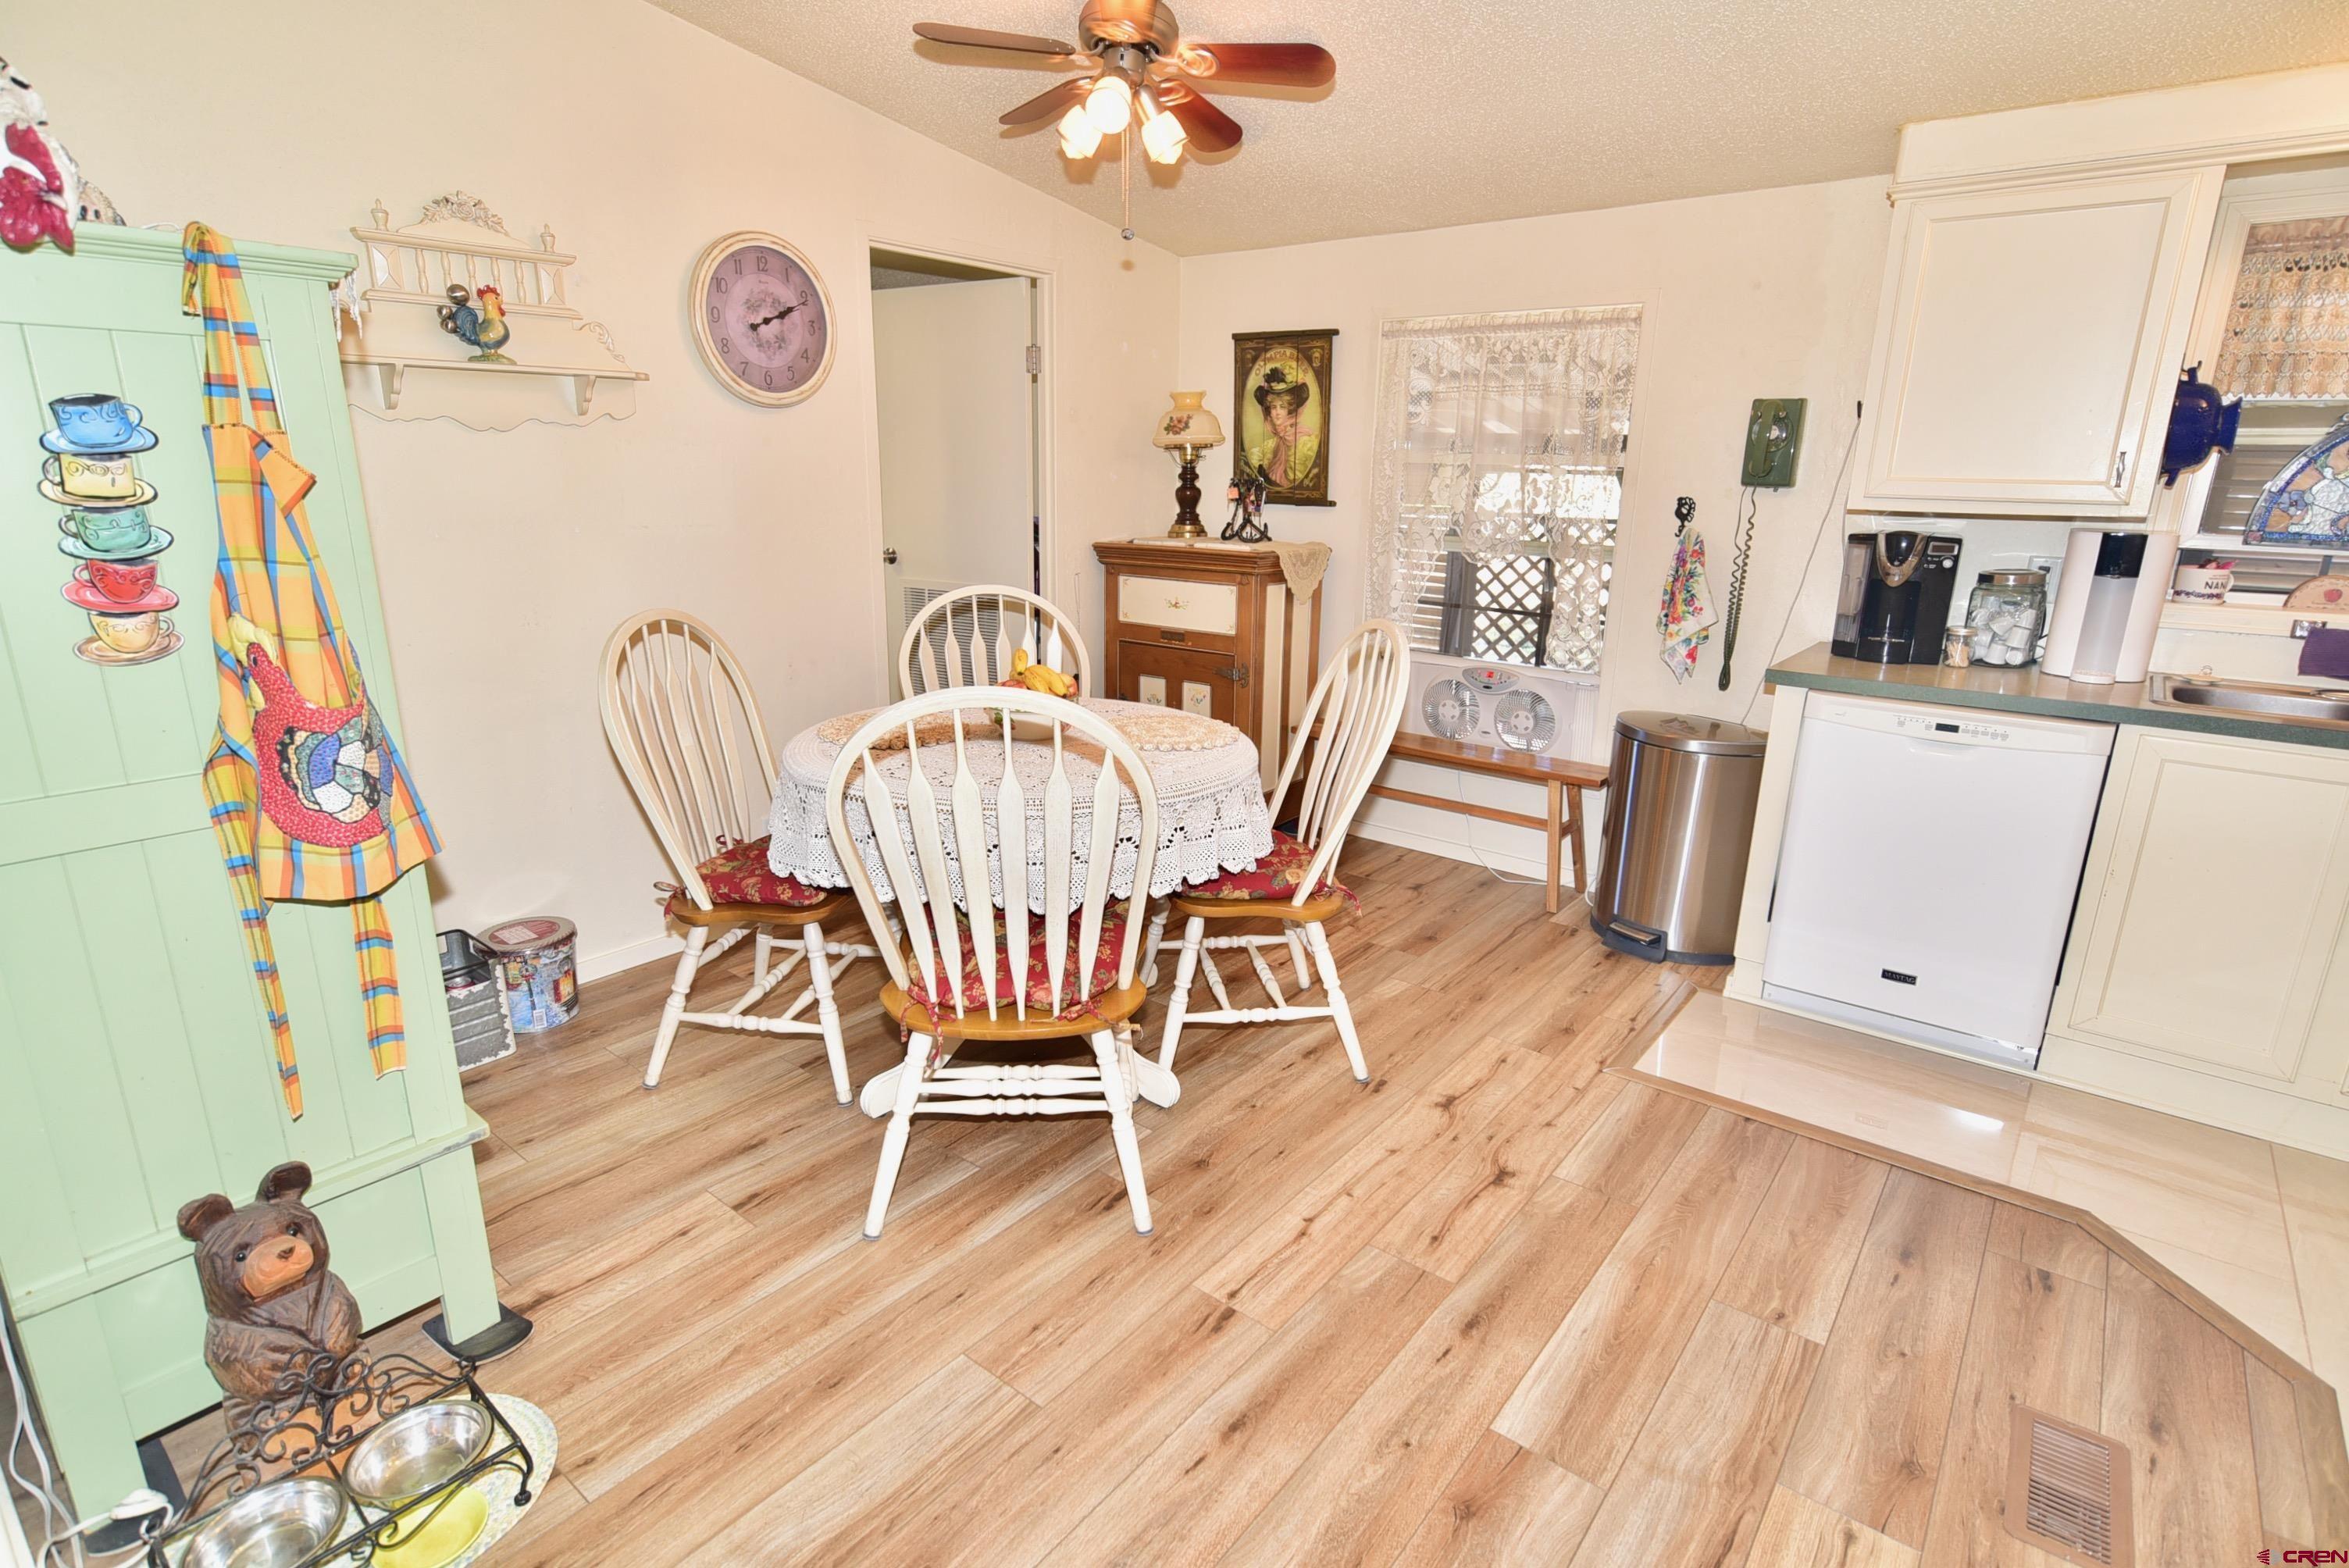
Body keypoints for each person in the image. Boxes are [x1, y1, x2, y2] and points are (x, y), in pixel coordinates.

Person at [1245, 363, 1323, 494]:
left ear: (1290, 410)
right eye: (1274, 407)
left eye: (1282, 407)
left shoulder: (1304, 442)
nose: (1277, 413)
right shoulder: (1272, 445)